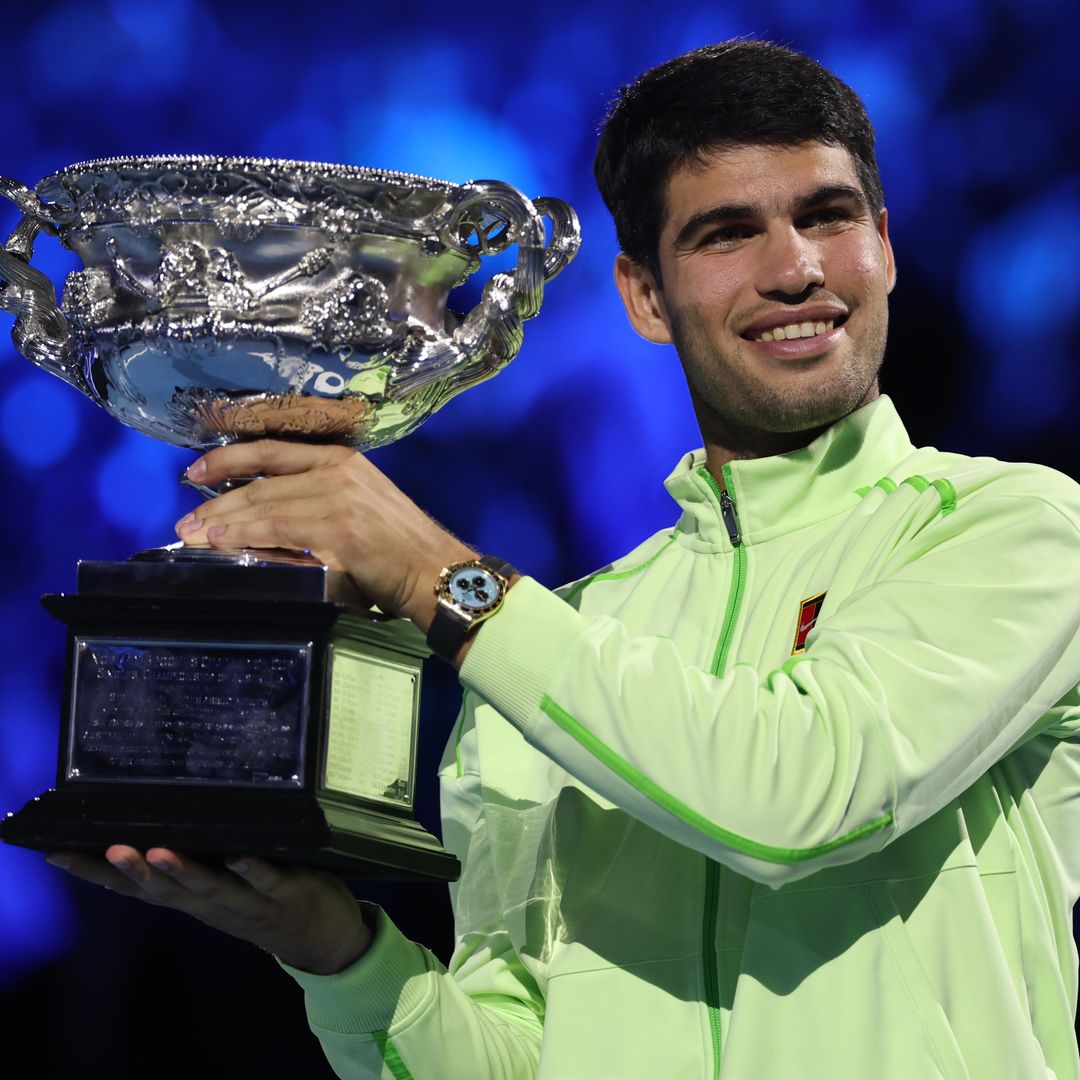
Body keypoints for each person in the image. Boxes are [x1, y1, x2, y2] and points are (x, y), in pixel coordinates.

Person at [48, 39, 1080, 1079]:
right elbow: (514, 1056)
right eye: (729, 233)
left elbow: (795, 795)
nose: (797, 267)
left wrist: (428, 574)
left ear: (886, 246)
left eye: (827, 215)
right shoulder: (554, 651)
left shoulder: (1012, 529)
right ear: (643, 297)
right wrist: (337, 954)